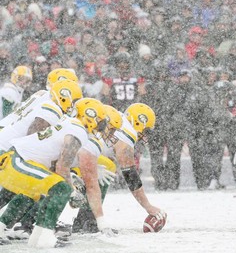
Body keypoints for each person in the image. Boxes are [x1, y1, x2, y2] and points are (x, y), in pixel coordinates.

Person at [0, 98, 108, 248]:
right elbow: (62, 167)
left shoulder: (71, 123)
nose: (101, 127)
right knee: (62, 189)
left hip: (17, 160)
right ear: (90, 116)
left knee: (43, 192)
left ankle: (37, 237)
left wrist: (71, 177)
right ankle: (45, 238)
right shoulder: (78, 130)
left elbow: (55, 163)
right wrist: (72, 191)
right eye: (101, 122)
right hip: (16, 160)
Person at [71, 103, 166, 233]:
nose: (145, 135)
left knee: (103, 168)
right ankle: (88, 219)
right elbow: (130, 175)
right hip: (79, 150)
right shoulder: (128, 133)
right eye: (146, 130)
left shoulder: (119, 120)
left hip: (73, 146)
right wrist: (148, 206)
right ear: (138, 122)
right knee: (108, 168)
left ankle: (81, 208)